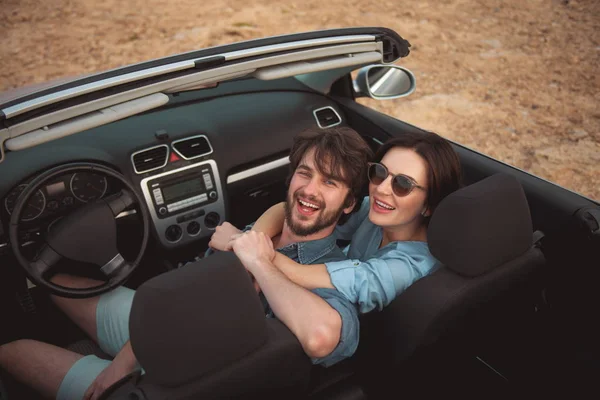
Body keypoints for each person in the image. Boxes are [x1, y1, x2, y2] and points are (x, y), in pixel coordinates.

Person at [0, 126, 373, 400]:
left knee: (12, 352)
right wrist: (127, 357)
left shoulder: (336, 273)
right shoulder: (258, 229)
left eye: (330, 183)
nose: (310, 190)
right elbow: (178, 299)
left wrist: (258, 260)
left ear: (349, 204)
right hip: (160, 327)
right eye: (305, 174)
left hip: (183, 380)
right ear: (290, 177)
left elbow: (323, 338)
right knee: (58, 284)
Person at [231, 131, 462, 314]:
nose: (381, 189)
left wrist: (254, 257)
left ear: (429, 204)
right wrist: (249, 237)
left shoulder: (412, 265)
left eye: (402, 185)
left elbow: (347, 280)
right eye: (380, 173)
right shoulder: (378, 215)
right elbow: (291, 209)